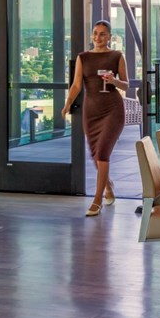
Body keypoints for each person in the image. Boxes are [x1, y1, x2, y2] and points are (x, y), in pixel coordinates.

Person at [61, 20, 128, 217]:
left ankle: (97, 200)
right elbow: (76, 85)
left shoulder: (117, 56)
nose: (98, 38)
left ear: (110, 37)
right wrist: (67, 104)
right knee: (95, 155)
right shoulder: (83, 57)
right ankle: (108, 185)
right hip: (91, 112)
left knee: (103, 153)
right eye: (95, 33)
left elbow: (126, 85)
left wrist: (114, 80)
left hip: (113, 110)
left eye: (102, 34)